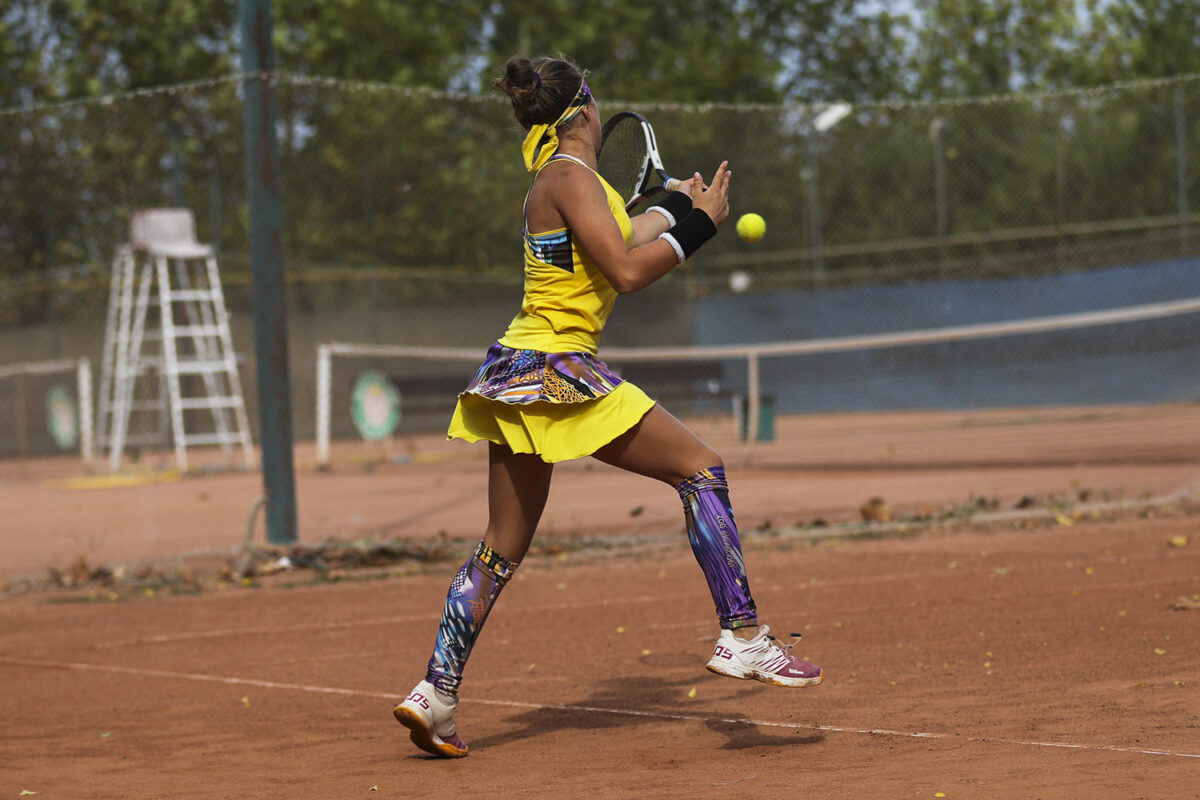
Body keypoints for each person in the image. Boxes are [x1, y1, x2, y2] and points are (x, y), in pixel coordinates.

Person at [394, 55, 822, 759]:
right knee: (701, 469)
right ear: (588, 112)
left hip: (514, 372)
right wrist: (701, 227)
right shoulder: (569, 178)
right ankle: (742, 636)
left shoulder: (562, 180)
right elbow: (625, 270)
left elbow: (622, 233)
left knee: (501, 547)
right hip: (560, 372)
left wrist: (678, 202)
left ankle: (435, 692)